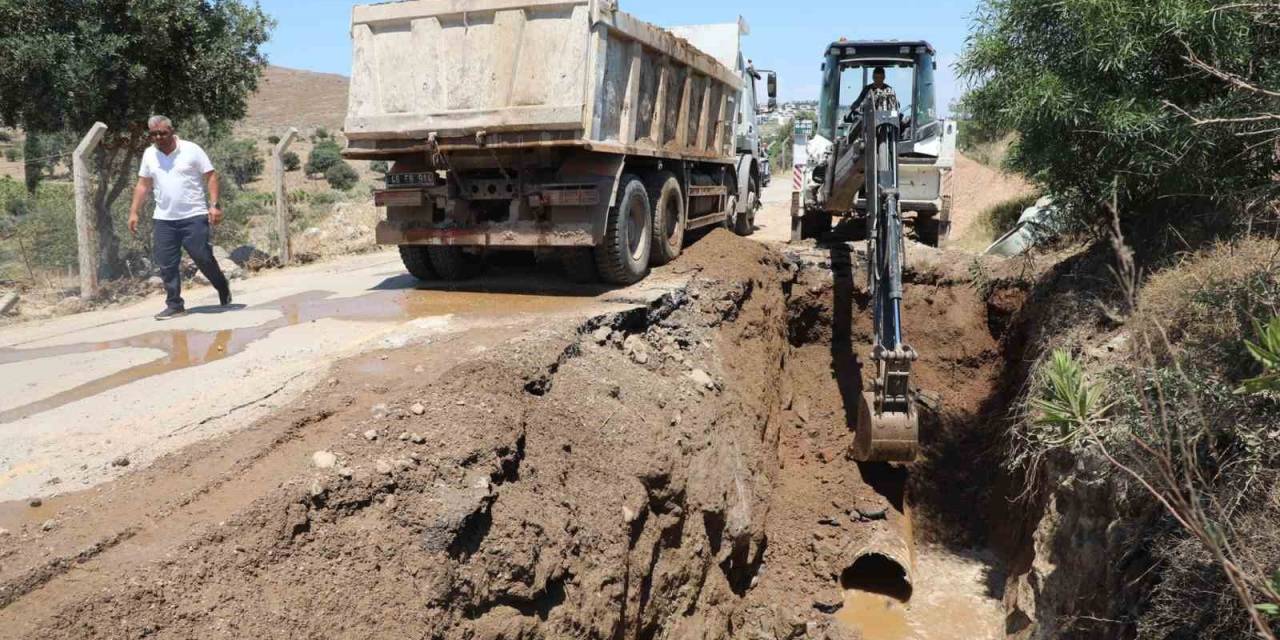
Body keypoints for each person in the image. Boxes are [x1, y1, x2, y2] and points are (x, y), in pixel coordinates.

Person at [128, 115, 232, 320]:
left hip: (193, 215)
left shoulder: (191, 149)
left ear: (172, 131)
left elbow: (210, 175)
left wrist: (214, 205)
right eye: (154, 134)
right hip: (164, 218)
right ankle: (175, 305)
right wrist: (134, 211)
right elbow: (143, 184)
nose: (159, 137)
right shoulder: (149, 154)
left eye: (163, 133)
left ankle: (222, 285)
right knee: (166, 263)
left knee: (202, 256)